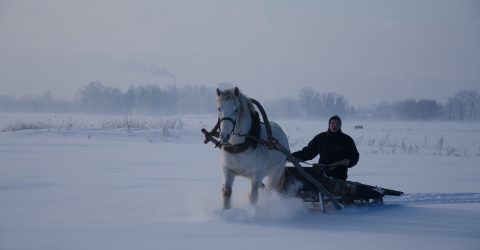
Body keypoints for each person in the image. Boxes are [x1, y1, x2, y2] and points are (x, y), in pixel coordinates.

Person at [291, 115, 359, 180]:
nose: (334, 125)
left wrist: (349, 161)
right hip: (321, 174)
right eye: (332, 123)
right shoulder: (321, 138)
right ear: (329, 124)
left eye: (337, 123)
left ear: (340, 125)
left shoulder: (347, 140)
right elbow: (308, 152)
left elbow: (355, 156)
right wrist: (291, 156)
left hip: (339, 177)